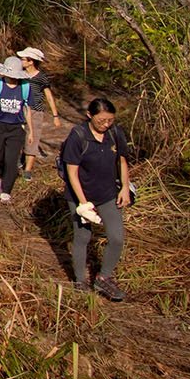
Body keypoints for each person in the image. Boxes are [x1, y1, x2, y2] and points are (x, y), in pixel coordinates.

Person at [60, 97, 133, 300]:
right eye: (101, 120)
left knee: (117, 237)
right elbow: (72, 173)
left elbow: (122, 160)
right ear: (89, 116)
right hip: (80, 196)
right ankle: (80, 280)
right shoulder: (78, 136)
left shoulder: (114, 133)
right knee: (83, 237)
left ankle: (104, 279)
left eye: (110, 120)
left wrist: (125, 188)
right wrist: (83, 204)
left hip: (108, 193)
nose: (106, 124)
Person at [0, 55, 36, 203]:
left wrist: (31, 130)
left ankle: (6, 190)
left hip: (16, 128)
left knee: (11, 160)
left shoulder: (25, 88)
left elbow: (27, 110)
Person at [15, 46, 60, 166]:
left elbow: (49, 96)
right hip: (19, 109)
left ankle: (28, 170)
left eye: (23, 59)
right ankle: (20, 157)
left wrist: (55, 116)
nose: (21, 61)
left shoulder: (41, 78)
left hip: (36, 110)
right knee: (18, 135)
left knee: (33, 138)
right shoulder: (19, 75)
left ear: (31, 61)